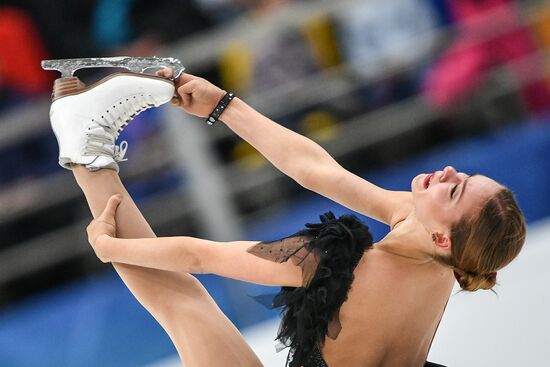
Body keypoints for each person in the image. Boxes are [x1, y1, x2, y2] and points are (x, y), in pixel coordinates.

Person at [48, 68, 526, 367]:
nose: (446, 171)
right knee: (183, 300)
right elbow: (316, 170)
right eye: (462, 173)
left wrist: (112, 248)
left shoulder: (347, 263)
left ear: (445, 238)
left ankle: (85, 146)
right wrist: (221, 106)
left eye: (456, 188)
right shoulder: (448, 253)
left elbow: (199, 255)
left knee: (182, 300)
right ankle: (86, 136)